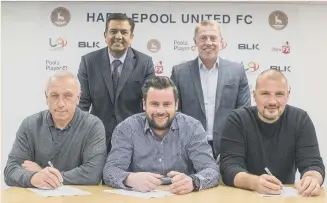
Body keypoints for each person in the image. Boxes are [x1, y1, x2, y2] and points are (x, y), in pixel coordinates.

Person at [103, 76, 219, 194]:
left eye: (167, 104)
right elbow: (110, 171)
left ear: (176, 105)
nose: (160, 111)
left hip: (182, 197)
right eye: (154, 104)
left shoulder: (192, 128)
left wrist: (193, 182)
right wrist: (130, 179)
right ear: (144, 104)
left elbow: (211, 170)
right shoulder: (127, 128)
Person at [220, 69, 325, 197]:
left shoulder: (300, 119)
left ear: (288, 94)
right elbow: (229, 168)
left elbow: (312, 163)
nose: (272, 102)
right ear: (254, 94)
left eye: (279, 94)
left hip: (284, 198)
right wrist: (255, 182)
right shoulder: (237, 119)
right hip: (243, 196)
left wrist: (312, 179)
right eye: (265, 93)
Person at [4, 71, 107, 189]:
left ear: (78, 98)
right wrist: (33, 178)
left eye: (68, 96)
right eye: (54, 96)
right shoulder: (30, 125)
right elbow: (11, 170)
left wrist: (44, 173)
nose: (61, 103)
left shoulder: (93, 125)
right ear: (46, 98)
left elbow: (93, 173)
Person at [170, 20, 251, 158]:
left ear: (221, 42)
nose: (208, 42)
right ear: (195, 42)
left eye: (213, 38)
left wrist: (233, 144)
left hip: (228, 147)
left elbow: (243, 112)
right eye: (203, 38)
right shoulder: (179, 72)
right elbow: (174, 111)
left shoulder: (237, 71)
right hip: (189, 147)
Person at [77, 13, 155, 152]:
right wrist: (80, 136)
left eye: (124, 32)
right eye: (113, 31)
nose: (118, 36)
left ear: (131, 37)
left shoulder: (145, 63)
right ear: (105, 35)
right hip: (96, 138)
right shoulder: (88, 62)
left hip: (134, 139)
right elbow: (82, 104)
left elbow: (149, 104)